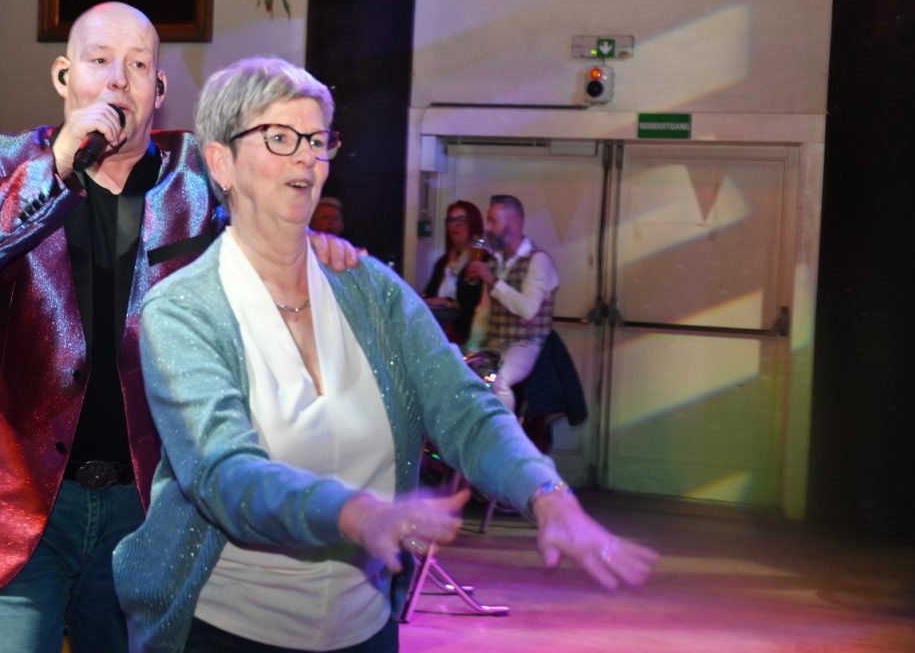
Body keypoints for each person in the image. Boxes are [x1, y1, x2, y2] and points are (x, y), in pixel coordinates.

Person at [114, 57, 656, 653]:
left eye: (317, 140)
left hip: (365, 631)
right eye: (280, 137)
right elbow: (222, 474)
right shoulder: (183, 309)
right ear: (221, 162)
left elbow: (464, 408)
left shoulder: (371, 291)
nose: (306, 158)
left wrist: (547, 493)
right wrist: (358, 515)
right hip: (226, 634)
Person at [0, 4, 357, 653]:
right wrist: (55, 166)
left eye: (139, 65)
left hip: (145, 503)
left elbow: (272, 238)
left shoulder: (200, 175)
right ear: (64, 75)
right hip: (10, 491)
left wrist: (313, 249)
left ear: (160, 88)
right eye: (99, 61)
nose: (118, 79)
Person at [465, 194, 559, 414]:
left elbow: (528, 310)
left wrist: (492, 281)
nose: (487, 228)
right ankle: (472, 432)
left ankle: (505, 433)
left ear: (515, 223)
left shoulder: (538, 261)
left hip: (525, 343)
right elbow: (484, 312)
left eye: (493, 221)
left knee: (497, 379)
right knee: (459, 375)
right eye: (488, 220)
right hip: (494, 342)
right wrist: (472, 348)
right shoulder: (496, 260)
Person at [421, 200, 485, 346]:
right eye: (450, 220)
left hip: (463, 330)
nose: (454, 226)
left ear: (473, 223)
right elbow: (430, 294)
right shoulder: (443, 262)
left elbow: (472, 304)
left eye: (461, 220)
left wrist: (447, 302)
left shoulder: (481, 260)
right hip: (438, 324)